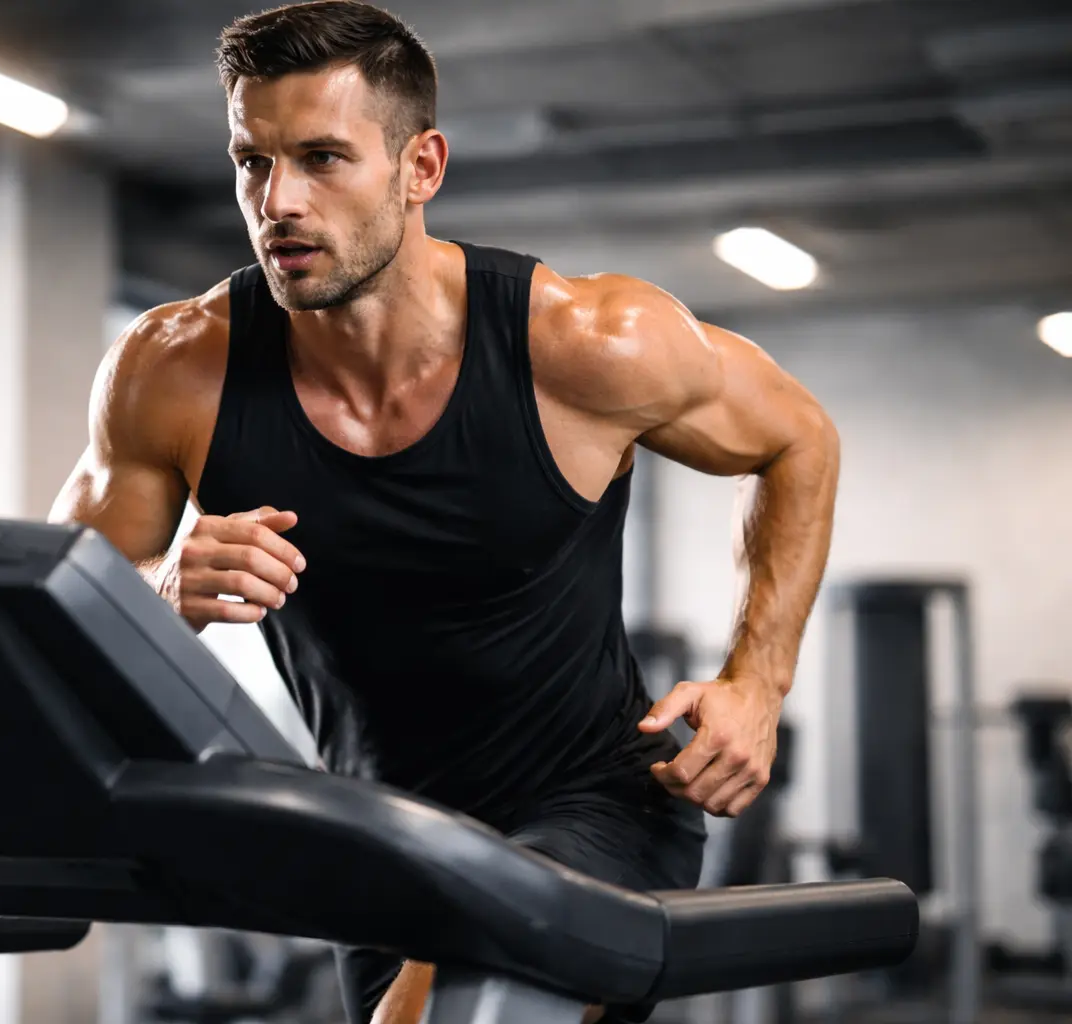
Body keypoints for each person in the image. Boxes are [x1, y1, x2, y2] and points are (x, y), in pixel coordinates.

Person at [50, 2, 840, 1021]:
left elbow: (799, 437)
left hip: (594, 805)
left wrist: (758, 685)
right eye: (253, 162)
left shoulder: (589, 342)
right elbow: (55, 639)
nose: (277, 200)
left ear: (421, 168)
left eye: (322, 158)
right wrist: (165, 597)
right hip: (378, 837)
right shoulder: (175, 370)